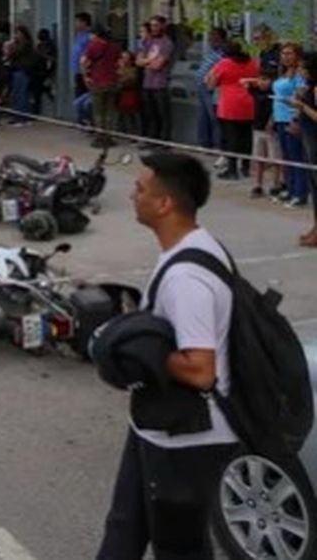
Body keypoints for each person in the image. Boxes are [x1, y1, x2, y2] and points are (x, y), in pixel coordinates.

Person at [95, 152, 238, 559]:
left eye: (139, 188)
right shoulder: (191, 247)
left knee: (180, 549)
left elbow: (201, 371)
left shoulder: (186, 278)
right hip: (156, 425)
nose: (131, 195)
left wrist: (136, 350)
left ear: (164, 204)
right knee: (124, 527)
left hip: (188, 437)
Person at [206, 40, 259, 181]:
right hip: (249, 102)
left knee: (231, 137)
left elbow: (211, 84)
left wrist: (212, 75)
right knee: (246, 136)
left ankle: (232, 169)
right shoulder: (252, 62)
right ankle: (246, 167)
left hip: (230, 103)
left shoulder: (224, 63)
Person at [245, 25, 282, 198]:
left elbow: (277, 80)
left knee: (276, 154)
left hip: (274, 105)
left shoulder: (277, 54)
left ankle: (278, 183)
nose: (257, 42)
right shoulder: (262, 55)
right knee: (259, 153)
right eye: (255, 39)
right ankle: (258, 184)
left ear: (268, 37)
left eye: (259, 38)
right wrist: (254, 84)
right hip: (260, 107)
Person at [272, 43, 308, 212]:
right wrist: (272, 119)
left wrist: (295, 119)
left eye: (289, 53)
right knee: (286, 157)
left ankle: (300, 193)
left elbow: (300, 98)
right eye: (283, 53)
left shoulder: (299, 76)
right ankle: (291, 188)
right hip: (279, 117)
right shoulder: (282, 73)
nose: (285, 57)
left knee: (296, 157)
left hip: (291, 118)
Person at [289, 51, 317, 247]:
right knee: (313, 187)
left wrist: (302, 106)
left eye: (303, 68)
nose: (301, 71)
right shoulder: (309, 88)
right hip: (308, 140)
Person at [82, 25, 120, 147]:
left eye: (91, 34)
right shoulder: (115, 47)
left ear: (96, 35)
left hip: (97, 82)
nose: (90, 37)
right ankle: (109, 137)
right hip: (112, 82)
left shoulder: (93, 46)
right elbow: (118, 62)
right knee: (110, 111)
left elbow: (84, 62)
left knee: (98, 112)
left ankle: (100, 138)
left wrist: (86, 76)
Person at [136, 15, 173, 142]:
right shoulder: (148, 41)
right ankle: (153, 139)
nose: (153, 28)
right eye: (152, 25)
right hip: (147, 83)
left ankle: (164, 141)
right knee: (150, 114)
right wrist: (150, 60)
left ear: (163, 26)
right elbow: (138, 61)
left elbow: (158, 65)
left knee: (163, 115)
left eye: (156, 25)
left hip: (160, 84)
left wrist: (147, 61)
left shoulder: (166, 43)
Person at [195, 27, 228, 160]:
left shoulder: (223, 53)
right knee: (203, 116)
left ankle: (217, 144)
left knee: (214, 116)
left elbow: (219, 71)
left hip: (212, 87)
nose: (210, 40)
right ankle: (204, 143)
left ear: (220, 38)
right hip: (201, 87)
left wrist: (210, 83)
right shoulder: (211, 52)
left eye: (213, 37)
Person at [5, 25, 36, 125]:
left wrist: (10, 48)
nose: (16, 35)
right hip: (17, 70)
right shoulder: (21, 44)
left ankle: (22, 117)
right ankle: (18, 116)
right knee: (17, 94)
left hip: (22, 71)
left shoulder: (25, 44)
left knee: (21, 95)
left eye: (17, 33)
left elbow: (14, 54)